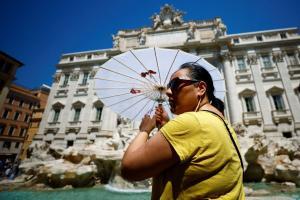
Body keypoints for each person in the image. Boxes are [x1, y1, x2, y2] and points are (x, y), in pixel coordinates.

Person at [121, 62, 245, 199]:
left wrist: (144, 130)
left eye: (175, 84)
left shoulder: (190, 122)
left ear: (201, 88)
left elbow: (129, 170)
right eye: (168, 86)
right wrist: (166, 127)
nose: (168, 91)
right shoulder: (224, 124)